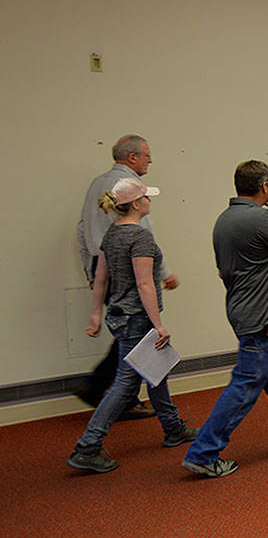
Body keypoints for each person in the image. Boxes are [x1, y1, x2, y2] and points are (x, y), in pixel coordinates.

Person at [181, 160, 268, 478]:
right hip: (262, 317)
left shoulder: (224, 219)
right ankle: (203, 453)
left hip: (244, 309)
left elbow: (222, 270)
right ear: (265, 187)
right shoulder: (261, 219)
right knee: (245, 386)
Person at [66, 178, 198, 473]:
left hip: (119, 316)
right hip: (137, 319)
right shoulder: (140, 238)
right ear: (137, 204)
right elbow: (144, 284)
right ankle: (87, 447)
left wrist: (95, 316)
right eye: (146, 197)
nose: (150, 201)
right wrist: (159, 325)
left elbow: (100, 279)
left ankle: (173, 427)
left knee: (156, 372)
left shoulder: (112, 235)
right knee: (126, 386)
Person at [74, 134, 179, 414]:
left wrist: (92, 271)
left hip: (102, 266)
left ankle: (137, 402)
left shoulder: (97, 184)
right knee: (137, 333)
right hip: (131, 268)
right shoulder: (131, 189)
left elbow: (82, 230)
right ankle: (112, 395)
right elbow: (145, 236)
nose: (150, 160)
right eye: (147, 155)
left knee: (130, 334)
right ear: (132, 157)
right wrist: (164, 272)